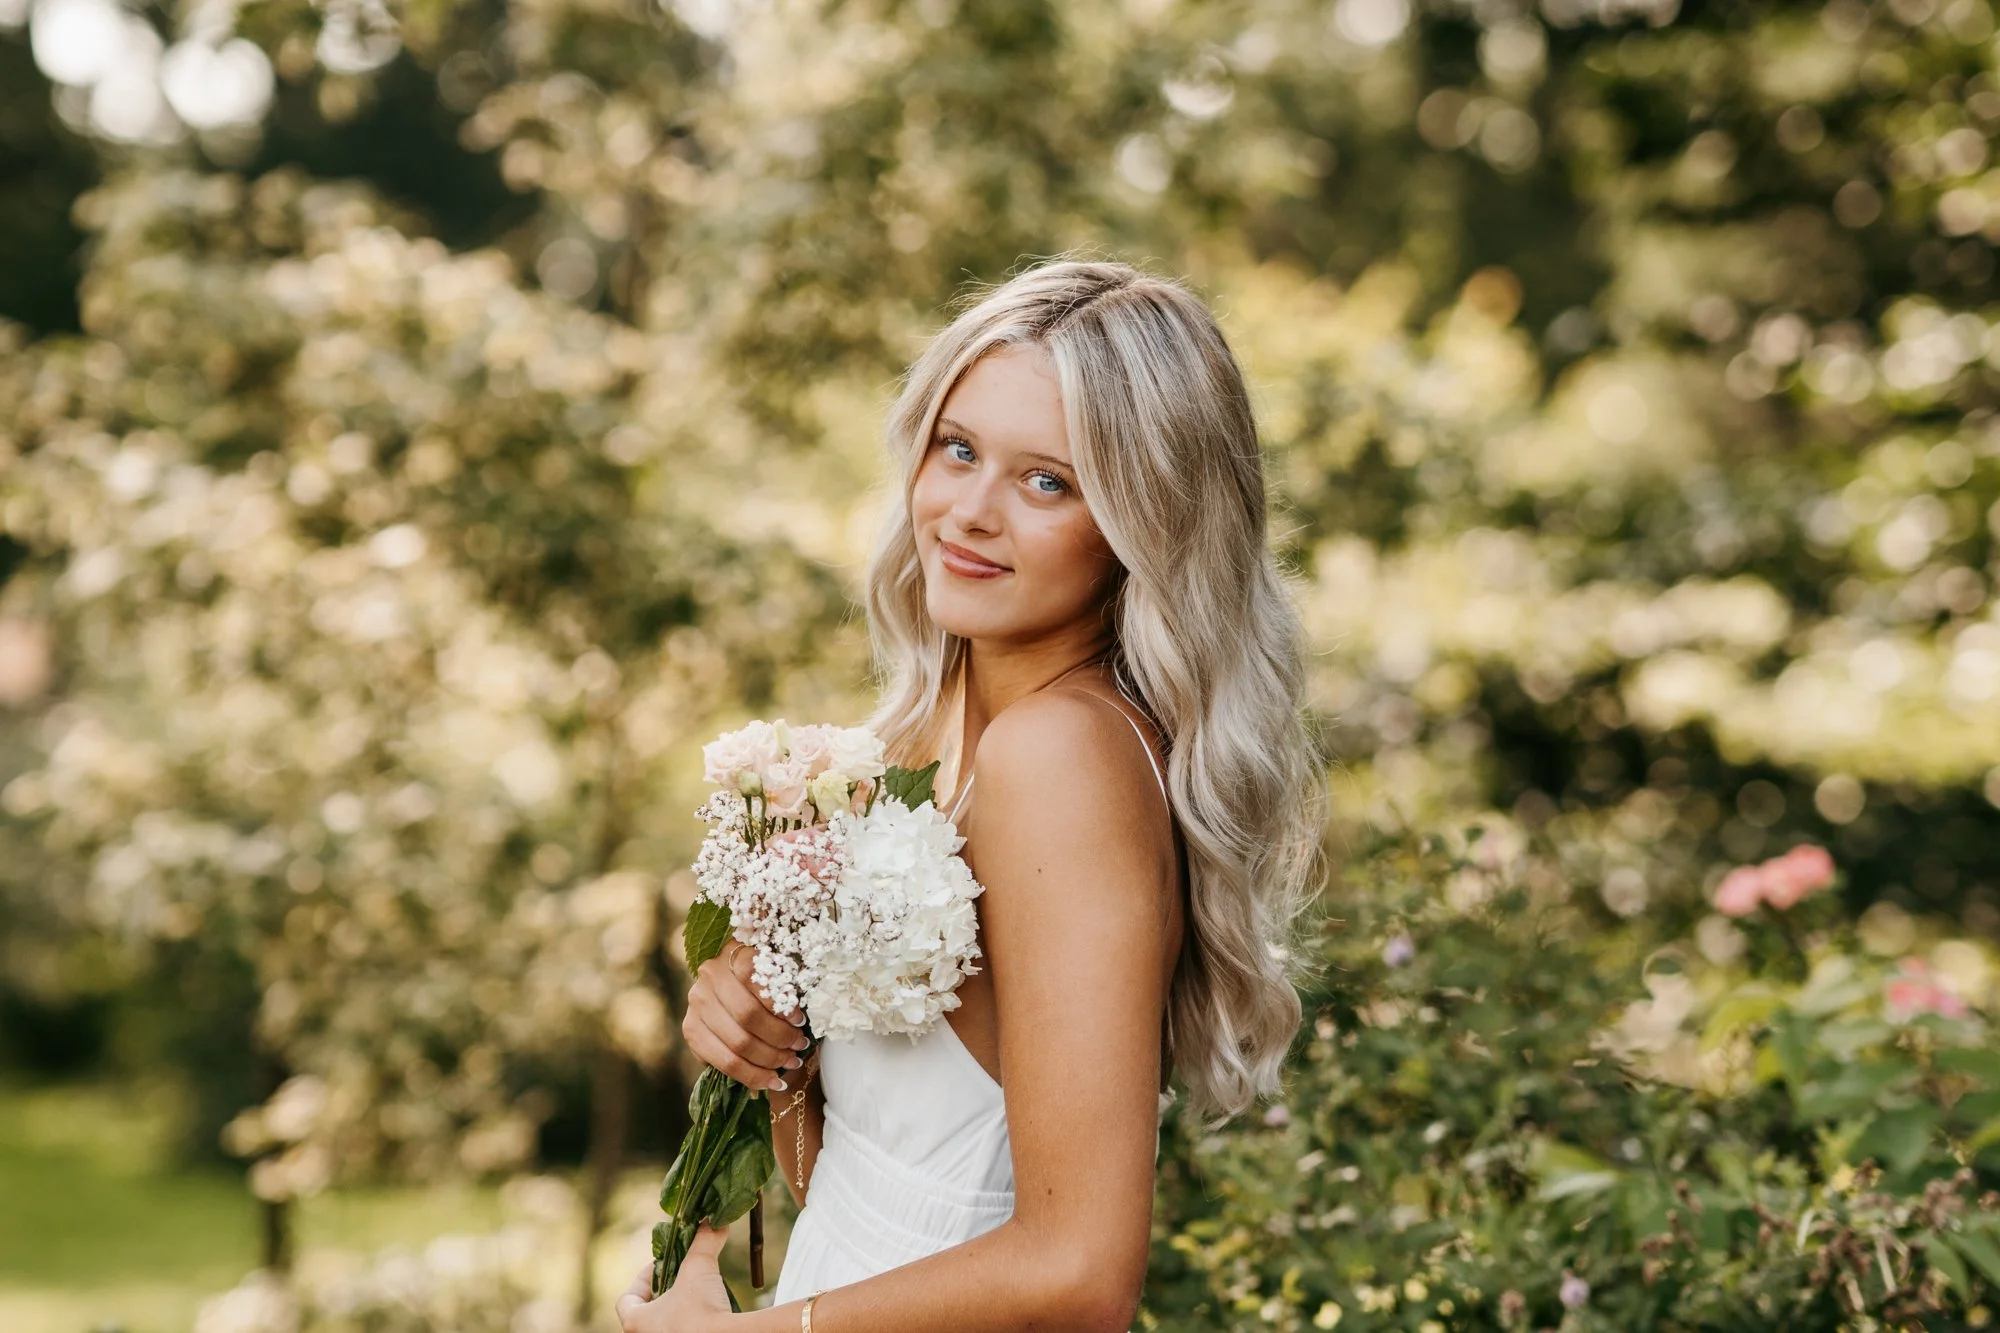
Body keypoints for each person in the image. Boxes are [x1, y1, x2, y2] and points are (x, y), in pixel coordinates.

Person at [615, 259, 1328, 1332]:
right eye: (959, 450)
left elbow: (1079, 1272)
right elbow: (890, 1186)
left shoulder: (1061, 756)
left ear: (1144, 524)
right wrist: (770, 1051)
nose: (969, 511)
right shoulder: (933, 748)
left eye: (1047, 481)